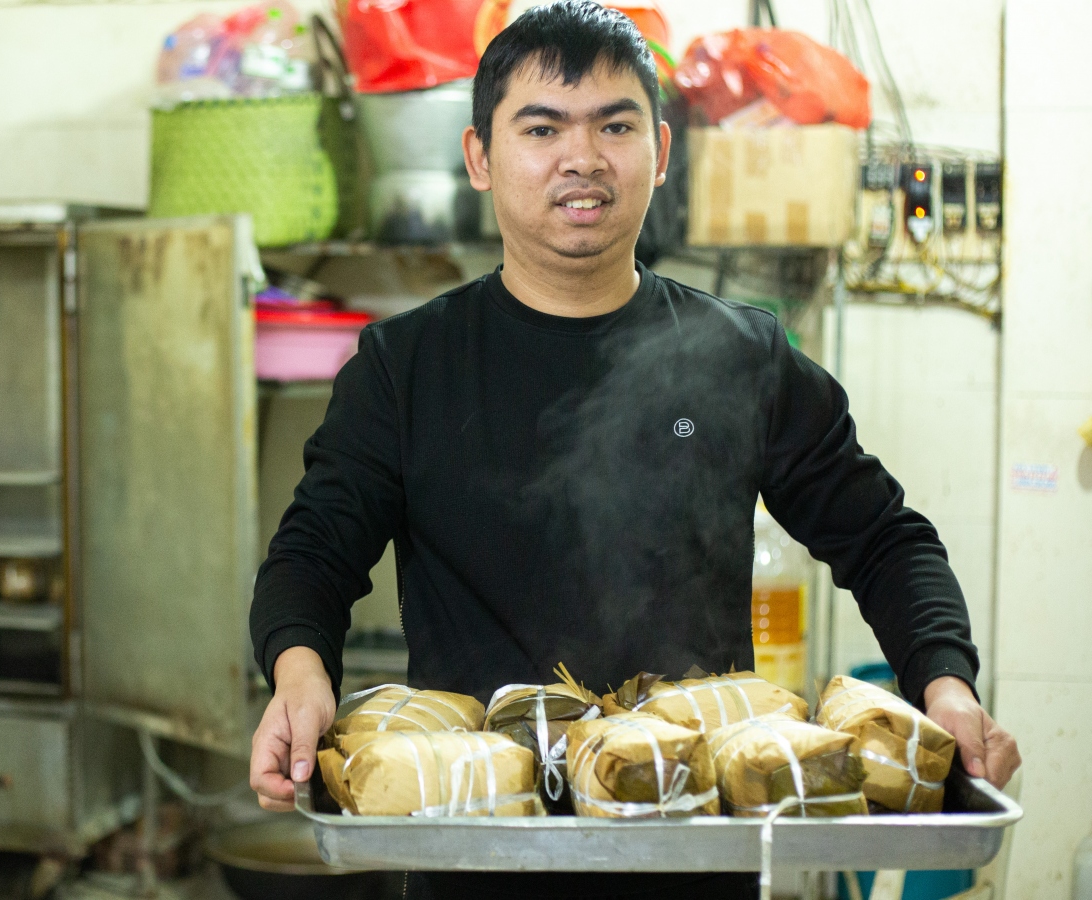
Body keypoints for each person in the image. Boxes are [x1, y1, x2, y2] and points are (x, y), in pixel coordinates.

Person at [247, 4, 1021, 898]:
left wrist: (947, 686)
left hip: (693, 849)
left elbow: (885, 539)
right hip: (476, 844)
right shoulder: (407, 365)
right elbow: (311, 552)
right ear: (479, 159)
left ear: (658, 151)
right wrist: (299, 674)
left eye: (614, 126)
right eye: (542, 128)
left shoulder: (741, 354)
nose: (582, 159)